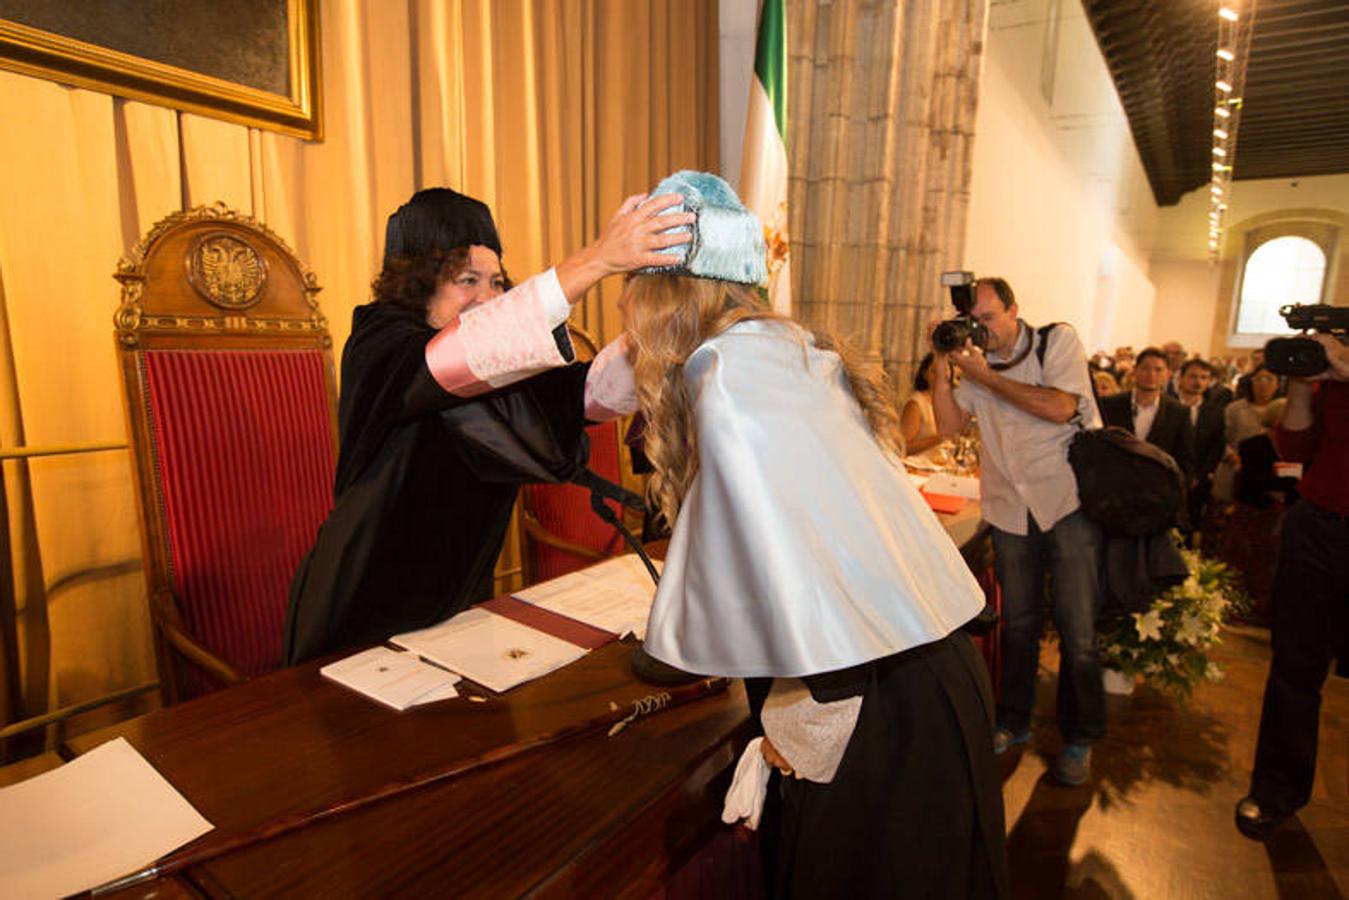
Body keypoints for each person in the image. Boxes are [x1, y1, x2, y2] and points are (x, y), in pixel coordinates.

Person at [630, 171, 1009, 898]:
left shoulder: (727, 373)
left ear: (666, 295)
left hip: (876, 716)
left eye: (632, 286)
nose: (623, 307)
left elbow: (781, 564)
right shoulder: (786, 351)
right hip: (919, 680)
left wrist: (802, 720)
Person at [282, 187, 694, 664]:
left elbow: (583, 398)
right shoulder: (381, 345)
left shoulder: (490, 371)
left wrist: (662, 325)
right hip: (357, 623)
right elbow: (458, 356)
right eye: (466, 279)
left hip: (457, 617)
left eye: (497, 283)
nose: (487, 298)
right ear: (416, 284)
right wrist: (600, 259)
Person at [929, 277, 1105, 787]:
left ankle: (1080, 738)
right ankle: (1012, 722)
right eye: (972, 323)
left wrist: (983, 377)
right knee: (1019, 627)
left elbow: (1060, 407)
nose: (980, 330)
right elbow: (947, 428)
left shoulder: (1057, 342)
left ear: (1014, 311)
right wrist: (944, 365)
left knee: (1079, 633)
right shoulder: (969, 360)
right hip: (1009, 510)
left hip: (1066, 503)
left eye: (987, 319)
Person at [1236, 334, 1349, 840]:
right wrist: (1303, 388)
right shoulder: (1334, 367)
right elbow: (1297, 447)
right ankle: (1276, 789)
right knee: (1294, 665)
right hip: (1320, 523)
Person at [1099, 346, 1194, 477]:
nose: (1151, 375)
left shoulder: (1178, 413)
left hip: (1156, 487)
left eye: (1158, 370)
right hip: (1113, 483)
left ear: (1168, 374)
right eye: (1145, 368)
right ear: (1135, 371)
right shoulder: (1109, 405)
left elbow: (1184, 458)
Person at [1213, 363, 1286, 503]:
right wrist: (1232, 456)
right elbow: (1220, 438)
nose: (1263, 384)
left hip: (1272, 473)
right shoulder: (1235, 409)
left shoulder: (1283, 408)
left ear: (1278, 384)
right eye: (1258, 379)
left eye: (1269, 379)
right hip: (1235, 467)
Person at [1175, 358, 1229, 543]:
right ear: (1180, 378)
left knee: (1190, 525)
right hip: (1169, 476)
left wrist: (1200, 475)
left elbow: (1216, 447)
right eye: (1193, 376)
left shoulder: (1214, 411)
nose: (1198, 382)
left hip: (1198, 480)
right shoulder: (1167, 405)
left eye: (1204, 378)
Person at [900, 352, 948, 459]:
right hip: (918, 468)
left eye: (944, 372)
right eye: (934, 372)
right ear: (924, 374)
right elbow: (904, 447)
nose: (939, 376)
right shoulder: (916, 404)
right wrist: (940, 437)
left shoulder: (950, 404)